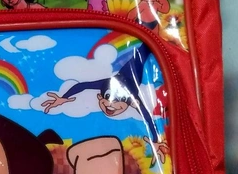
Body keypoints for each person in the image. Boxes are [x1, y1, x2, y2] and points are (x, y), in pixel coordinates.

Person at [41, 41, 170, 165]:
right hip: (130, 68)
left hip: (136, 64)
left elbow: (148, 117)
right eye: (107, 98)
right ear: (99, 97)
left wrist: (156, 140)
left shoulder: (133, 99)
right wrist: (63, 98)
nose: (109, 104)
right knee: (142, 51)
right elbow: (82, 86)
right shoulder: (107, 83)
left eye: (117, 101)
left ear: (131, 103)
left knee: (142, 52)